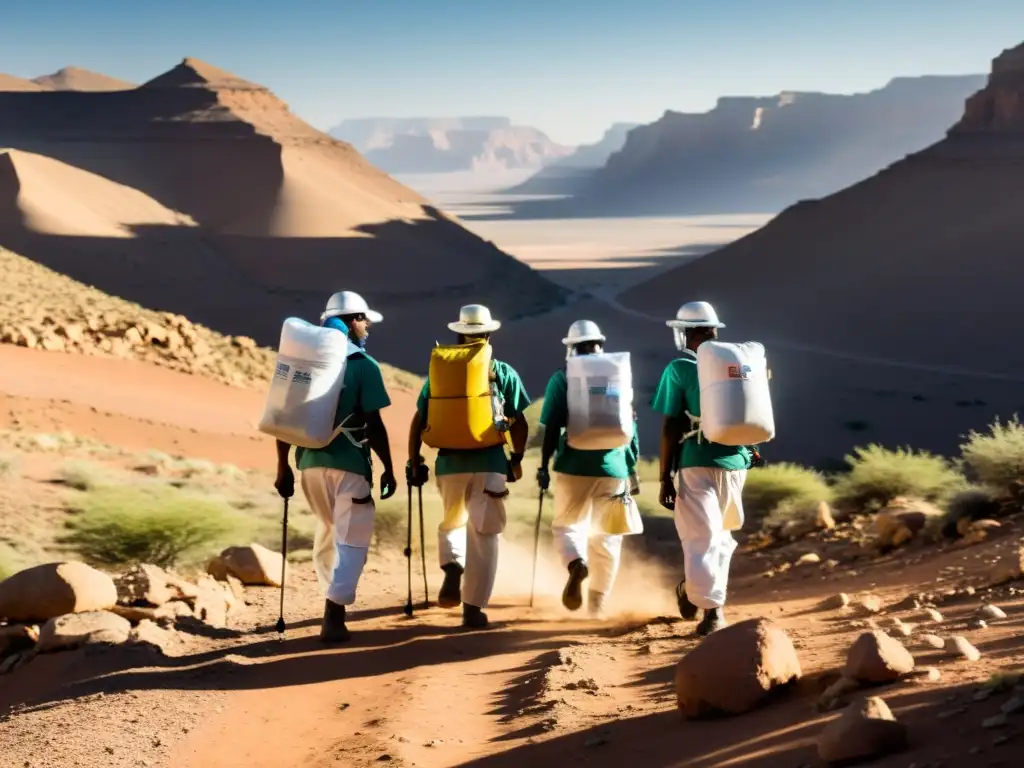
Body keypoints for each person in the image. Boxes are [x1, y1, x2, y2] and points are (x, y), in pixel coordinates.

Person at [274, 291, 397, 643]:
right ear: (353, 320)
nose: (368, 326)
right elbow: (374, 424)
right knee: (353, 540)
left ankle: (332, 602)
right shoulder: (363, 365)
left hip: (309, 463)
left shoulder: (302, 362)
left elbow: (285, 417)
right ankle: (334, 614)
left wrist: (283, 468)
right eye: (364, 319)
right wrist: (388, 466)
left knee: (329, 531)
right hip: (349, 465)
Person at [408, 304, 530, 629]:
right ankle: (473, 608)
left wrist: (414, 460)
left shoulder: (440, 371)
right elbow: (519, 421)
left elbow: (420, 419)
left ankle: (452, 566)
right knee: (485, 534)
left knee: (452, 521)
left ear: (458, 333)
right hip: (489, 461)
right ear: (488, 334)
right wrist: (516, 459)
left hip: (449, 464)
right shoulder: (501, 371)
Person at [651, 300, 753, 637]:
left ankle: (709, 608)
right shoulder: (736, 363)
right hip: (737, 463)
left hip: (697, 462)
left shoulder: (679, 368)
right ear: (714, 330)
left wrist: (664, 477)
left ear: (685, 333)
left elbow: (670, 424)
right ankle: (706, 598)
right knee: (720, 537)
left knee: (700, 538)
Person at [536, 320, 642, 618]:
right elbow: (630, 426)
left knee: (568, 525)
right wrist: (631, 467)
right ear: (600, 345)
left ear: (571, 347)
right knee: (608, 536)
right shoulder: (619, 374)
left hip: (573, 465)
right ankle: (598, 601)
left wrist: (544, 466)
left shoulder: (563, 378)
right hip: (614, 468)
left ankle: (576, 563)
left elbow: (552, 425)